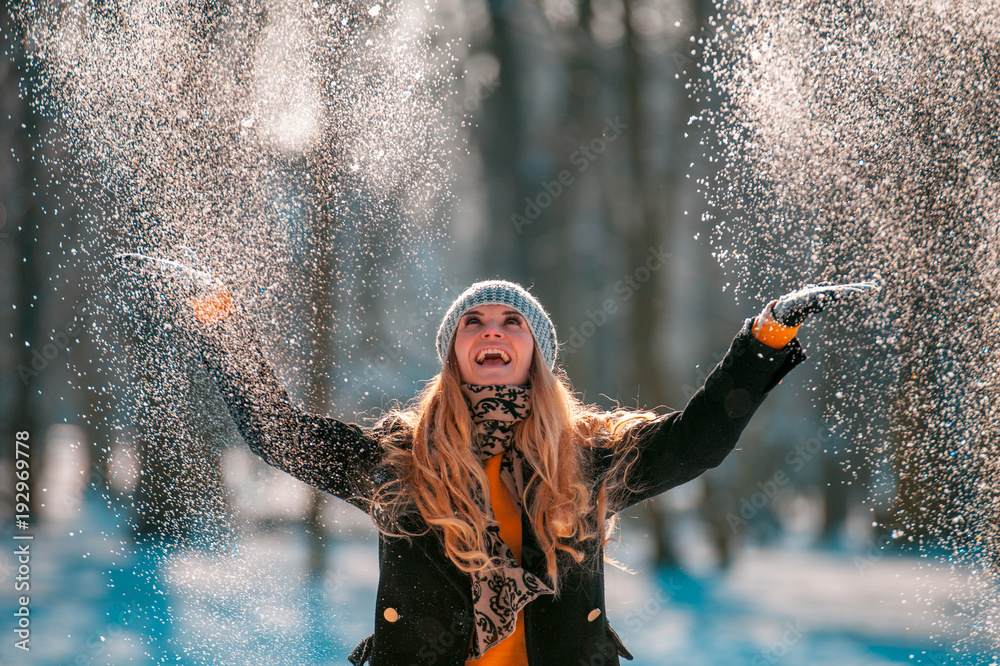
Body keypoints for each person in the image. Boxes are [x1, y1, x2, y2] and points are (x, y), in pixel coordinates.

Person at [118, 254, 875, 665]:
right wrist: (218, 320)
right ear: (453, 352)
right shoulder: (400, 459)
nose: (492, 330)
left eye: (511, 321)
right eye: (473, 321)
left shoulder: (588, 458)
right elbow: (277, 435)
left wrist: (765, 340)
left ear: (535, 353)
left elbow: (698, 442)